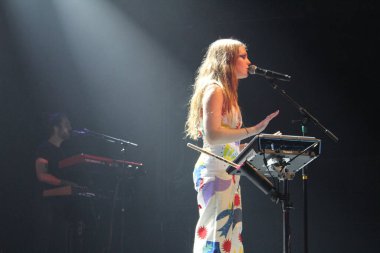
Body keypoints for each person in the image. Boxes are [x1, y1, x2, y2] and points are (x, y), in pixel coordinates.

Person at [185, 38, 279, 253]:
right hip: (215, 171)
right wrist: (254, 130)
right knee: (215, 235)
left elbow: (227, 141)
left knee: (227, 235)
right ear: (227, 60)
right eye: (243, 56)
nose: (249, 61)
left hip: (227, 172)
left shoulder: (226, 93)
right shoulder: (215, 90)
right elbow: (214, 136)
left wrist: (255, 143)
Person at [34, 112, 78, 253]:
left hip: (61, 206)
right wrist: (65, 183)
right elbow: (42, 175)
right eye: (66, 125)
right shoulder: (44, 149)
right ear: (55, 128)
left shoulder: (63, 153)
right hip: (47, 205)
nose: (70, 128)